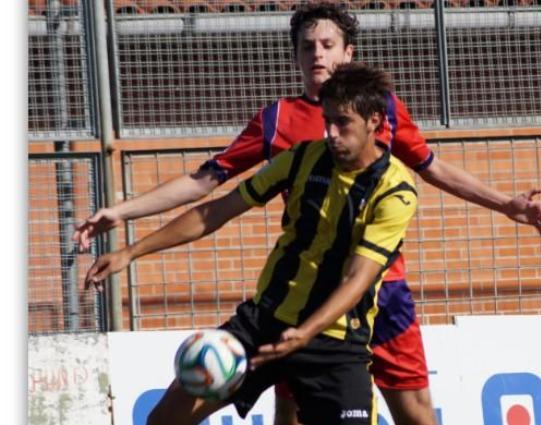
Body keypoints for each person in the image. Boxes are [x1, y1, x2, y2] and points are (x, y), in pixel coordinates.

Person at [74, 4, 541, 425]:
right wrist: (122, 214)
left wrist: (505, 204)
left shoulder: (380, 111)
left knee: (413, 410)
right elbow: (208, 186)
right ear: (295, 57)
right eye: (307, 47)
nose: (317, 55)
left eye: (328, 44)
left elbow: (432, 167)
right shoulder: (282, 124)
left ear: (349, 53)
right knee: (284, 411)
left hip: (376, 292)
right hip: (289, 296)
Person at [86, 63, 422, 425]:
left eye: (343, 123)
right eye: (327, 121)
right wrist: (130, 252)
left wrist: (305, 333)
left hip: (334, 342)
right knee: (163, 420)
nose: (332, 133)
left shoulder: (394, 191)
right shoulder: (301, 159)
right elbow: (215, 211)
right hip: (264, 323)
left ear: (374, 120)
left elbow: (357, 279)